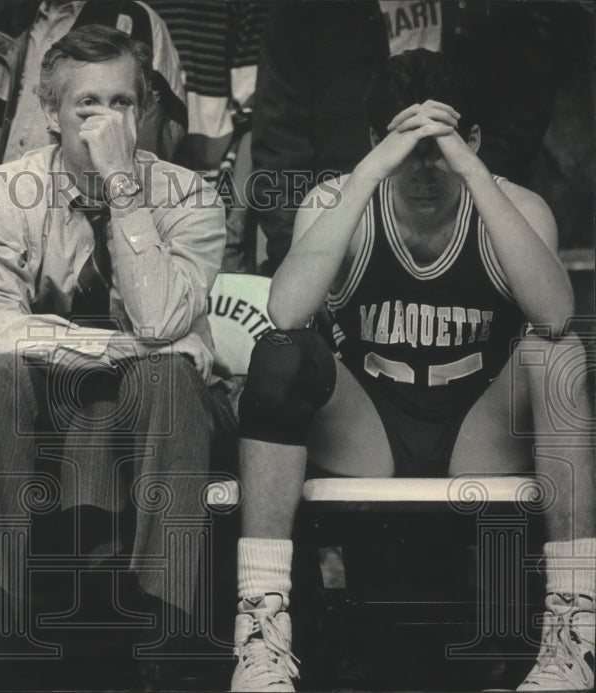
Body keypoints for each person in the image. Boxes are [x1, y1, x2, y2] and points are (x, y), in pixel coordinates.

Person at [231, 49, 594, 692]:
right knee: (280, 354)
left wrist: (474, 173)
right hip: (368, 429)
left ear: (472, 141)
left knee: (559, 356)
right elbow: (286, 312)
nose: (425, 168)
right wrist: (369, 174)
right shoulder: (339, 200)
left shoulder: (515, 206)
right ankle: (262, 632)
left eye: (441, 148)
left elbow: (557, 313)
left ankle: (574, 636)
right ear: (377, 142)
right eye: (408, 147)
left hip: (476, 433)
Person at [0, 24, 227, 689]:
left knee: (168, 373)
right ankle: (5, 639)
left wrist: (123, 189)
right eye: (88, 107)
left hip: (159, 410)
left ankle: (170, 642)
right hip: (41, 406)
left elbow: (163, 323)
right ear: (50, 114)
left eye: (124, 104)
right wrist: (107, 347)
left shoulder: (189, 196)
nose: (109, 122)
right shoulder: (2, 193)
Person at [246, 0, 561, 276]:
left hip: (470, 226)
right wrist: (300, 257)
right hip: (348, 231)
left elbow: (522, 108)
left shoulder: (489, 9)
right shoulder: (306, 8)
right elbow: (279, 139)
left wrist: (477, 198)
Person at [0, 0, 187, 170]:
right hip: (3, 201)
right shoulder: (5, 14)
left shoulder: (133, 20)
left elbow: (154, 141)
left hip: (84, 212)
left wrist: (109, 208)